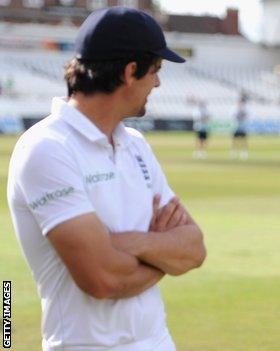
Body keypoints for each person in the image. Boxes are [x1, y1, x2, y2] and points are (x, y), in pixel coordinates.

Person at [7, 7, 206, 351]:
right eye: (156, 70)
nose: (158, 82)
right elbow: (102, 278)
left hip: (158, 340)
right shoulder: (47, 148)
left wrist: (131, 243)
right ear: (131, 72)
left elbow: (194, 249)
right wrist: (164, 256)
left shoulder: (136, 145)